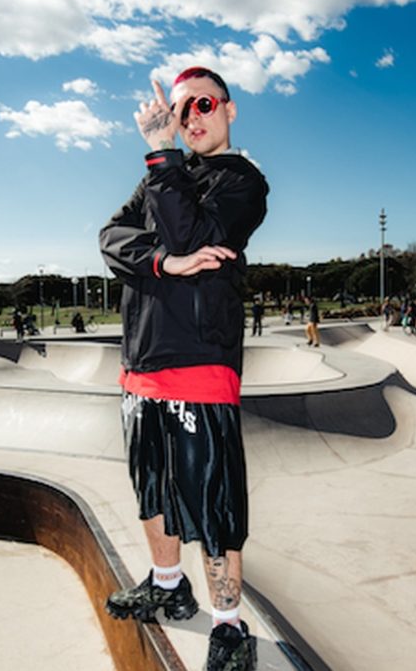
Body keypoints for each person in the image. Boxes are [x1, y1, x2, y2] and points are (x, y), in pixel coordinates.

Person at [99, 66, 267, 670]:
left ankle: (229, 627)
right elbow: (110, 236)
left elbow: (193, 232)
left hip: (200, 360)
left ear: (229, 109)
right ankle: (167, 584)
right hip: (142, 359)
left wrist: (162, 157)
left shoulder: (241, 181)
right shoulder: (160, 175)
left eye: (203, 104)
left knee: (213, 500)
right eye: (179, 109)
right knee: (152, 486)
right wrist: (163, 263)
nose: (190, 118)